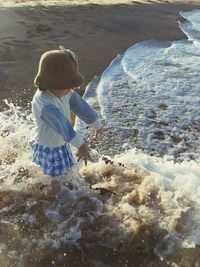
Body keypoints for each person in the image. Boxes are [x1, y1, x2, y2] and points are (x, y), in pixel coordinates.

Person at [29, 45, 104, 176]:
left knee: (67, 172)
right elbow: (62, 124)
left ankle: (69, 192)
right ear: (51, 84)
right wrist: (81, 145)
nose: (70, 89)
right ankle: (55, 195)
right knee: (55, 178)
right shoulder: (44, 104)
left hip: (61, 141)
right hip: (49, 148)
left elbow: (80, 106)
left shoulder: (63, 92)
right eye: (66, 85)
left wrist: (97, 124)